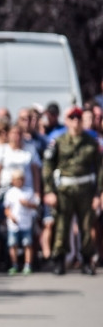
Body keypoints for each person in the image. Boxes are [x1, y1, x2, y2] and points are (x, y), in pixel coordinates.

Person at [42, 106, 102, 275]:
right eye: (72, 118)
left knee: (86, 226)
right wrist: (49, 191)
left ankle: (86, 261)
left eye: (79, 118)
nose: (76, 121)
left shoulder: (91, 142)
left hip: (86, 190)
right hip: (64, 190)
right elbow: (47, 167)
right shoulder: (58, 141)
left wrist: (99, 193)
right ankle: (59, 260)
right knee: (61, 225)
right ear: (67, 121)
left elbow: (100, 168)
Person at [3, 170, 39, 275]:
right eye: (17, 180)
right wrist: (11, 217)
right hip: (13, 225)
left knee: (27, 244)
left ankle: (27, 265)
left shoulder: (29, 191)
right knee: (13, 244)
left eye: (21, 179)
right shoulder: (10, 193)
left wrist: (27, 204)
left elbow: (35, 206)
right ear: (13, 181)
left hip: (26, 223)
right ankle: (14, 265)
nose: (19, 182)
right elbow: (6, 209)